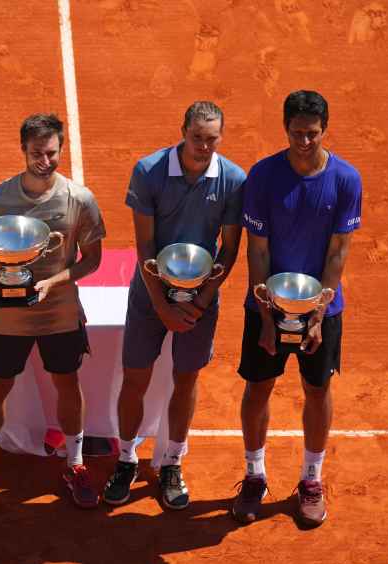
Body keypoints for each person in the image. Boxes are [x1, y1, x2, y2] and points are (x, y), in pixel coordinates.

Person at [103, 101, 246, 510]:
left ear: (221, 136)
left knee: (186, 380)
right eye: (197, 137)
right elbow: (145, 247)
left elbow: (229, 249)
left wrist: (200, 300)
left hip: (202, 298)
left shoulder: (234, 180)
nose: (204, 146)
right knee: (136, 380)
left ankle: (171, 462)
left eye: (212, 139)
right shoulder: (148, 172)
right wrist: (163, 306)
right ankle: (127, 459)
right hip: (150, 294)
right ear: (182, 132)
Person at [231, 89, 362, 527]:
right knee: (259, 388)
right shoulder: (264, 176)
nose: (304, 142)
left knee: (319, 391)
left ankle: (311, 479)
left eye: (312, 134)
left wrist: (319, 316)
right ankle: (254, 475)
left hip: (323, 305)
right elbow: (259, 252)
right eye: (296, 133)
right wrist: (267, 317)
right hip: (266, 300)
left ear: (325, 130)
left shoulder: (346, 180)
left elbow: (338, 252)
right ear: (284, 129)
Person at [0, 113, 106, 511]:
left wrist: (54, 282)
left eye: (52, 152)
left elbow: (92, 259)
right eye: (37, 153)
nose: (45, 161)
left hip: (59, 312)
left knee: (66, 382)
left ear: (60, 149)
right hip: (9, 316)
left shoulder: (79, 200)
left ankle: (75, 463)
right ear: (23, 150)